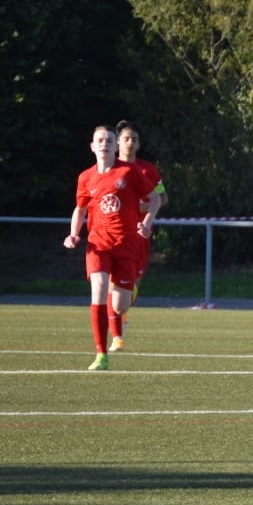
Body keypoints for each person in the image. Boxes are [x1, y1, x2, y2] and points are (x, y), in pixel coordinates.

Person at [63, 125, 159, 370]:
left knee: (119, 306)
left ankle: (127, 291)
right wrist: (73, 234)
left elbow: (155, 198)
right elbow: (80, 209)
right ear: (92, 146)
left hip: (127, 245)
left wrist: (147, 222)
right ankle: (101, 354)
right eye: (100, 140)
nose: (104, 144)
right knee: (98, 287)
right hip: (99, 243)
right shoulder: (85, 177)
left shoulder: (129, 171)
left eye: (109, 140)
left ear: (116, 146)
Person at [109, 120, 169, 351]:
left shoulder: (148, 170)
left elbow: (163, 198)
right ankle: (117, 333)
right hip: (115, 236)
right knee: (111, 285)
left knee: (132, 285)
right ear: (117, 142)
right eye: (126, 138)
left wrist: (144, 208)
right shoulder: (109, 168)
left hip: (140, 236)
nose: (130, 143)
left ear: (139, 144)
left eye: (134, 139)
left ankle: (122, 316)